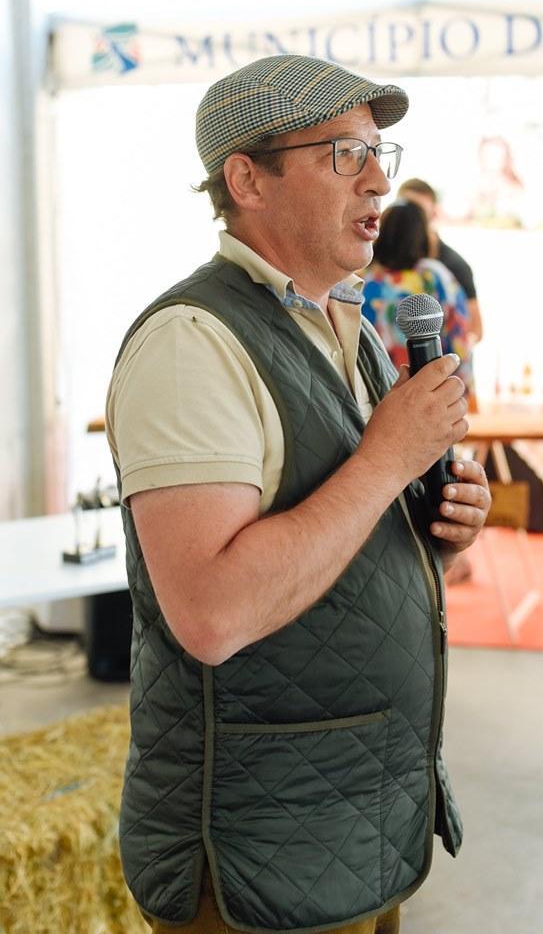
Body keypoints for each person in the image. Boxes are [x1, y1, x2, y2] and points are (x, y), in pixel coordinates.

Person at [105, 53, 491, 934]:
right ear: (248, 180)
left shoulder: (344, 325)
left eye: (379, 153)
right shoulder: (191, 342)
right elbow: (213, 613)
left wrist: (429, 532)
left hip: (357, 827)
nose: (378, 181)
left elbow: (337, 535)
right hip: (256, 858)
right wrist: (387, 460)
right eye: (344, 154)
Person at [361, 199, 476, 407]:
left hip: (381, 403)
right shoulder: (436, 278)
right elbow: (460, 338)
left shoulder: (366, 284)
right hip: (434, 397)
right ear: (421, 235)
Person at [397, 178, 483, 347]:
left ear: (433, 214)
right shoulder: (374, 261)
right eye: (404, 208)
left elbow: (475, 330)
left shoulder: (455, 266)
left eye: (418, 212)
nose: (409, 217)